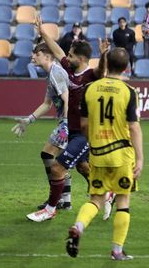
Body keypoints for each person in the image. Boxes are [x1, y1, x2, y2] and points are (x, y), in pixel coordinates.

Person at [26, 15, 110, 222]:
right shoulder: (70, 69)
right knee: (83, 167)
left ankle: (51, 209)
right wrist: (42, 31)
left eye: (71, 55)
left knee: (57, 167)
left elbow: (102, 70)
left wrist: (104, 54)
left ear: (81, 59)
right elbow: (56, 50)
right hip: (72, 130)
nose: (67, 57)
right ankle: (107, 193)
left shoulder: (91, 76)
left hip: (85, 133)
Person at [66, 48, 143, 260]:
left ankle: (78, 227)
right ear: (127, 67)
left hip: (98, 153)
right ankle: (117, 250)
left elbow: (83, 125)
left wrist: (95, 142)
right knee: (123, 200)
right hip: (122, 156)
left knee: (96, 200)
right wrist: (140, 158)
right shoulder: (128, 91)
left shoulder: (90, 89)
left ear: (106, 63)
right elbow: (134, 127)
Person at [11, 43, 70, 221]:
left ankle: (59, 198)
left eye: (36, 53)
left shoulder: (57, 73)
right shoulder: (51, 73)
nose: (33, 57)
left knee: (48, 155)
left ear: (46, 55)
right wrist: (28, 120)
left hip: (70, 121)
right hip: (69, 121)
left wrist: (66, 124)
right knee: (77, 164)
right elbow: (47, 103)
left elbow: (67, 98)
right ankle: (64, 199)